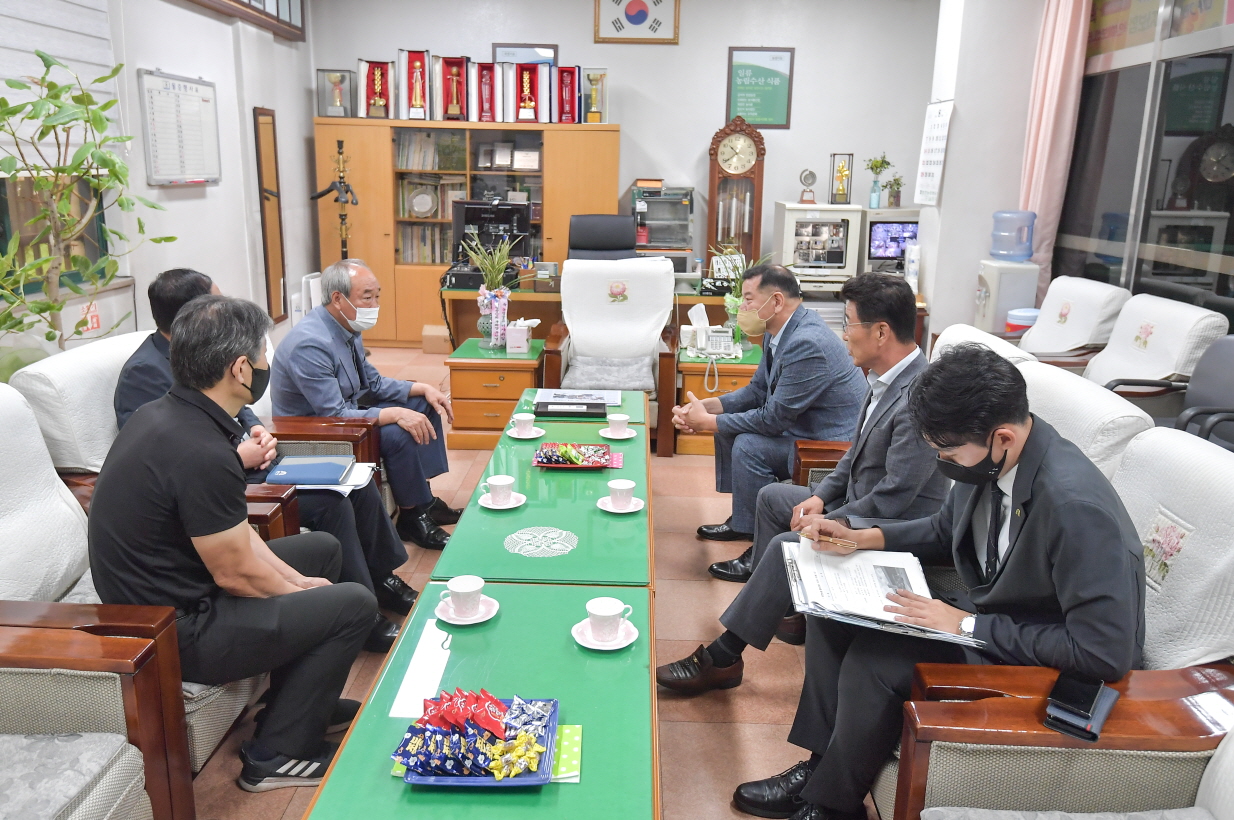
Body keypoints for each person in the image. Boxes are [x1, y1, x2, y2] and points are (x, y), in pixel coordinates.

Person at [731, 344, 1146, 820]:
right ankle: (819, 768)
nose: (942, 462)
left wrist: (964, 625)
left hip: (1040, 654)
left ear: (1003, 437)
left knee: (877, 661)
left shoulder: (1075, 508)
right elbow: (947, 531)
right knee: (832, 617)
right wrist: (862, 537)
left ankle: (832, 806)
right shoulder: (994, 458)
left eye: (947, 453)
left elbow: (1102, 651)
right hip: (992, 616)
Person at [90, 295, 379, 792]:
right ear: (240, 368)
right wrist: (304, 594)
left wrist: (298, 582)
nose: (267, 364)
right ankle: (277, 755)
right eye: (263, 355)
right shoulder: (199, 450)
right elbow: (236, 574)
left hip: (184, 588)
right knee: (352, 605)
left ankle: (297, 704)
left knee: (322, 550)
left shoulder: (171, 416)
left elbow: (235, 531)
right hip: (172, 630)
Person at [658, 273, 949, 695]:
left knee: (785, 545)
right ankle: (785, 608)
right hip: (862, 501)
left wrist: (836, 518)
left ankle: (724, 657)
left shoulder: (920, 397)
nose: (844, 335)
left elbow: (895, 495)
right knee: (774, 497)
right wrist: (820, 497)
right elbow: (854, 456)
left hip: (893, 527)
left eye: (849, 323)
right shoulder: (882, 378)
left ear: (881, 332)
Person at [114, 268, 413, 653]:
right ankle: (358, 612)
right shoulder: (147, 374)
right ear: (198, 314)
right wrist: (238, 456)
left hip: (248, 463)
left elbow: (230, 406)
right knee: (331, 503)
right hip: (221, 485)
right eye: (218, 301)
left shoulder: (209, 365)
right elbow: (167, 460)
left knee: (354, 482)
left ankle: (379, 580)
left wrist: (256, 429)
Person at [271, 259, 459, 550]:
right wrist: (392, 414)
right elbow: (334, 415)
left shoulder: (346, 326)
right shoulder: (310, 343)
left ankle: (425, 500)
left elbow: (373, 383)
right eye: (367, 297)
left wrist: (422, 388)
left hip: (345, 412)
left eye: (377, 296)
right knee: (397, 432)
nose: (375, 305)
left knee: (422, 404)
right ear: (338, 298)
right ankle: (412, 518)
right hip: (314, 430)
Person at [674, 264, 866, 542]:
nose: (743, 307)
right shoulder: (776, 331)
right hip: (803, 428)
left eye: (748, 299)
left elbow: (773, 420)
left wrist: (708, 422)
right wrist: (706, 407)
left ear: (776, 301)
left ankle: (755, 537)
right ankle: (743, 519)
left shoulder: (807, 343)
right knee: (728, 430)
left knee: (748, 445)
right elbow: (757, 391)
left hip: (829, 444)